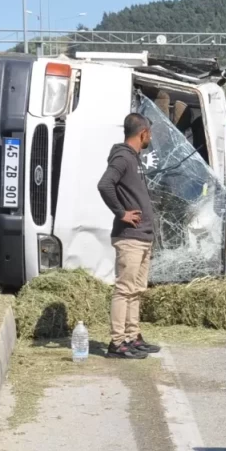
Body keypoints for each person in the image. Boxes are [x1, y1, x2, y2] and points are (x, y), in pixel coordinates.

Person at [96, 113, 161, 360]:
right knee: (124, 289)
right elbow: (105, 184)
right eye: (150, 134)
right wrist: (121, 212)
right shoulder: (123, 157)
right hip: (130, 237)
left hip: (142, 236)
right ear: (142, 133)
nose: (150, 138)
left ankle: (132, 337)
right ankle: (117, 342)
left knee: (136, 290)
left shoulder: (133, 159)